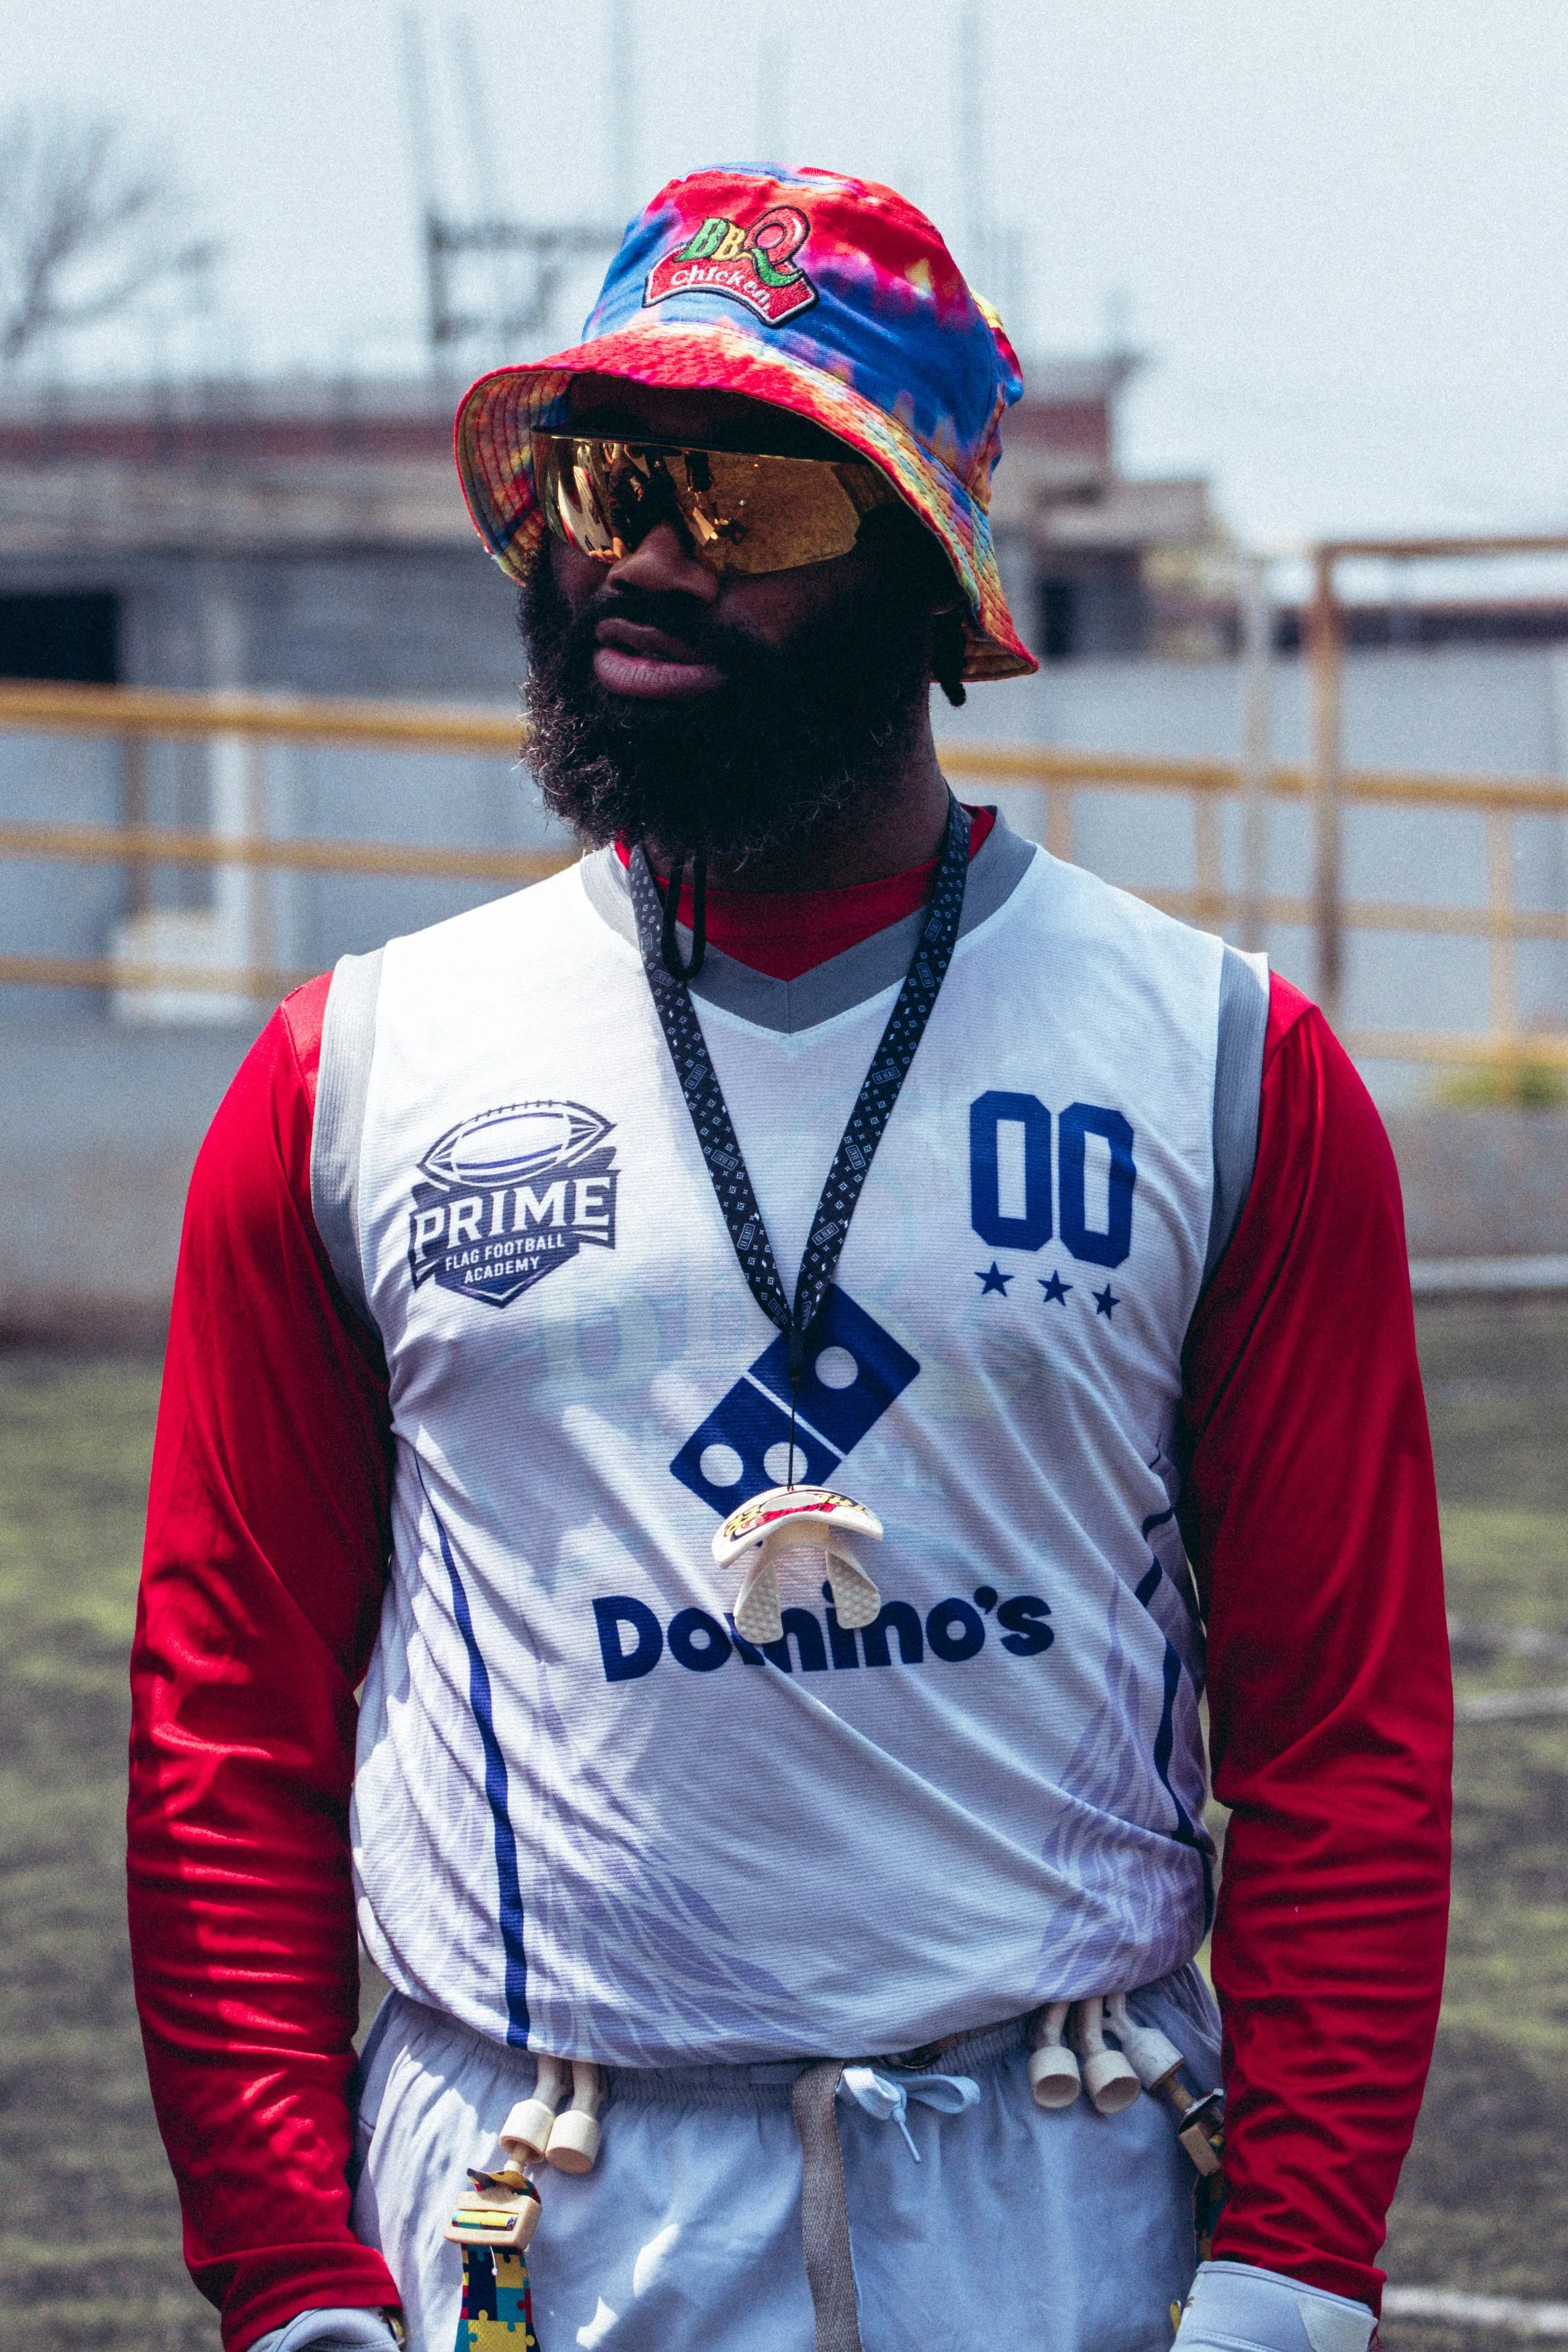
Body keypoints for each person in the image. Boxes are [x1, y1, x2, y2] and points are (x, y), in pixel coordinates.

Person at [128, 164, 1451, 2352]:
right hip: (533, 2207)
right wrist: (285, 2269)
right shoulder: (354, 1071)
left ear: (927, 576)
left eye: (752, 495)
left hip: (1063, 2194)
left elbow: (1340, 1732)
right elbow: (229, 1729)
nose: (649, 547)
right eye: (608, 474)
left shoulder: (1219, 1065)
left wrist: (1294, 2259)